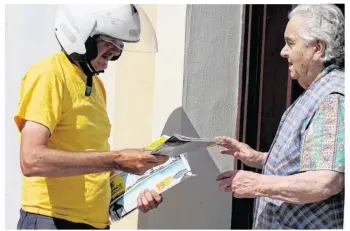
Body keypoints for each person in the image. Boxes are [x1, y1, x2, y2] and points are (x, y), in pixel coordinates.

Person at [15, 4, 168, 229]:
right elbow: (31, 160)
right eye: (110, 41)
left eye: (120, 45)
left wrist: (139, 184)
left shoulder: (95, 84)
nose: (116, 52)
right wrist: (117, 159)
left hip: (94, 222)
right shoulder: (49, 74)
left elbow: (91, 163)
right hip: (53, 219)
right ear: (81, 32)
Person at [215, 4, 344, 229]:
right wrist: (259, 158)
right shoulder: (318, 90)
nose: (284, 51)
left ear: (318, 49)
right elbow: (316, 158)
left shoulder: (332, 98)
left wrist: (259, 184)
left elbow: (326, 181)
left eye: (291, 43)